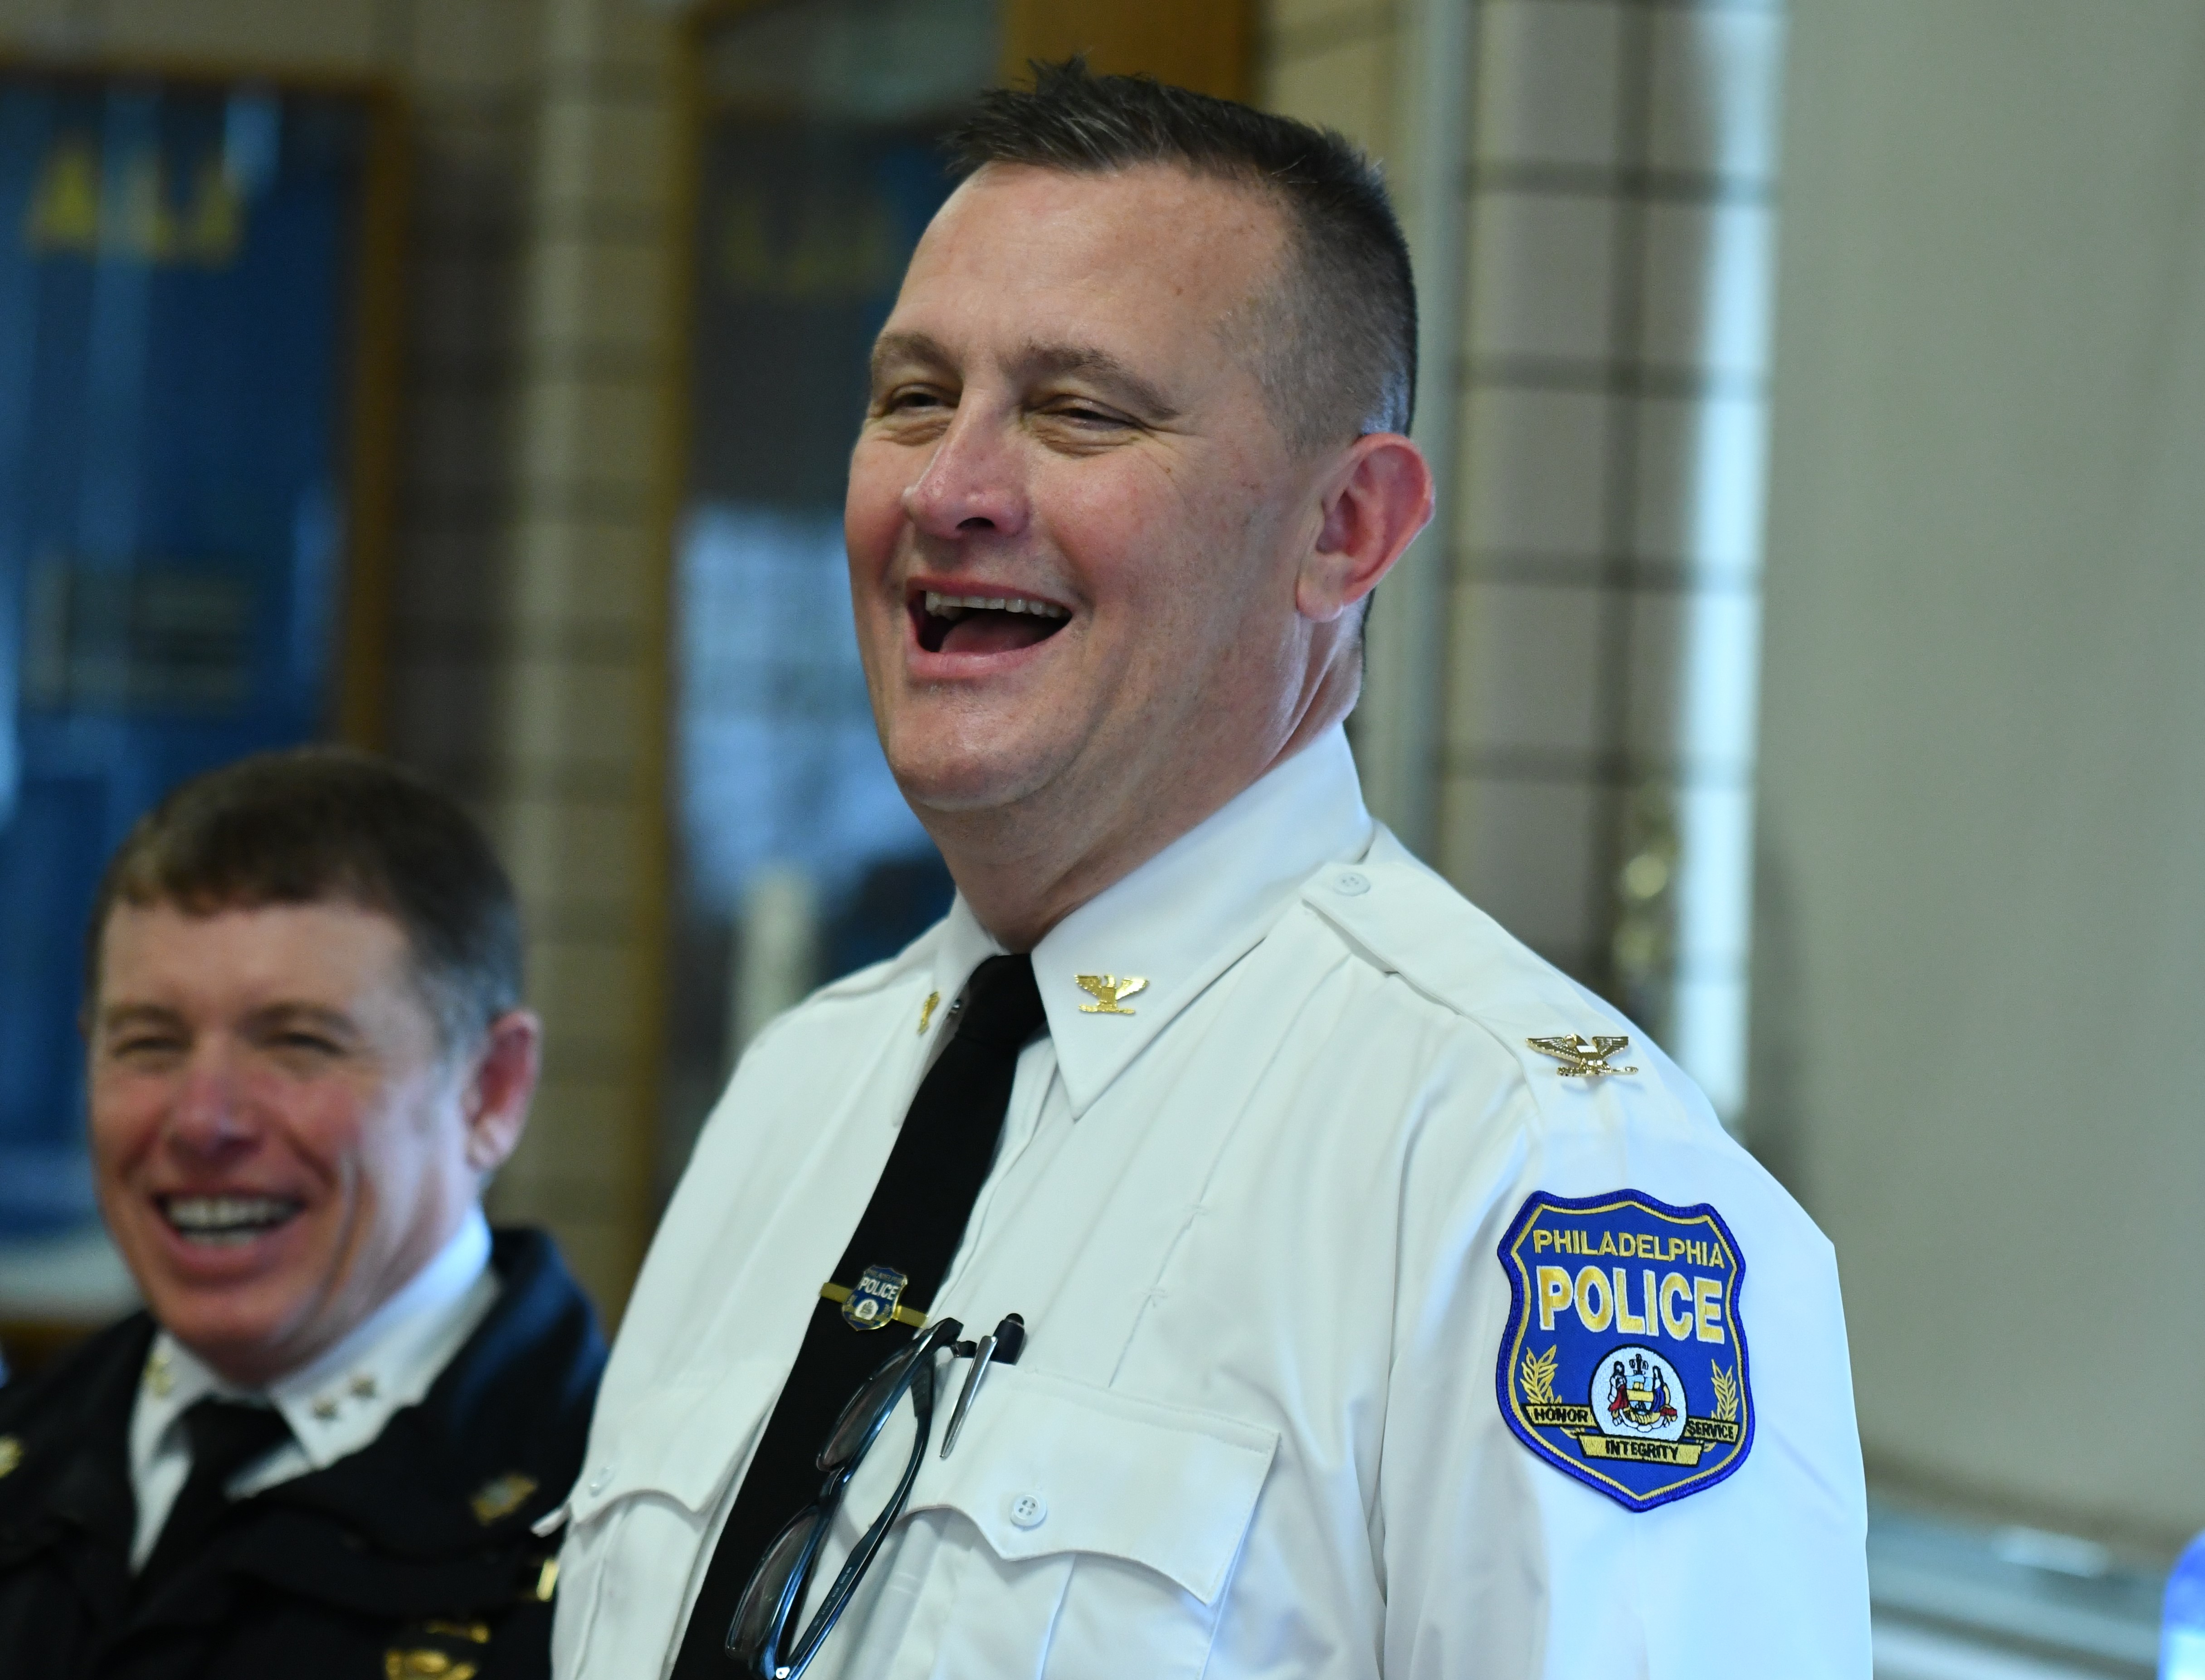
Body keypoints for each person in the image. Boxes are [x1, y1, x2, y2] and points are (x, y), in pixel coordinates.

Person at [551, 63, 1869, 1679]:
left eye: (1078, 411)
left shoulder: (1526, 1166)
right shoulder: (802, 1084)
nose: (948, 490)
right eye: (909, 398)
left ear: (1345, 527)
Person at [0, 748, 605, 1678]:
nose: (204, 1120)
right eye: (149, 1042)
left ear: (489, 1091)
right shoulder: (31, 1454)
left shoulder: (621, 1532)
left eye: (297, 1042)